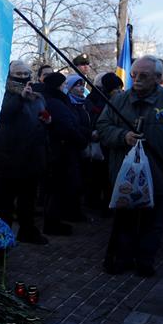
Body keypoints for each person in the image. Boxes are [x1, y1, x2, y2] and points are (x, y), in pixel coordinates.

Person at [97, 57, 163, 276]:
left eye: (143, 76)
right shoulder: (119, 100)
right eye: (134, 75)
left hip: (158, 173)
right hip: (124, 175)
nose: (137, 80)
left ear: (157, 77)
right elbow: (103, 127)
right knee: (124, 221)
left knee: (153, 222)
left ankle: (145, 260)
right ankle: (122, 258)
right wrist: (123, 136)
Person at [0, 60, 51, 244]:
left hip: (31, 156)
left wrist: (47, 121)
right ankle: (3, 235)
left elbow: (41, 115)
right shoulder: (0, 93)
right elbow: (2, 116)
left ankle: (27, 230)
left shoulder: (38, 96)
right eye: (19, 75)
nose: (24, 78)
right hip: (7, 157)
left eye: (26, 74)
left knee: (28, 200)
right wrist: (19, 97)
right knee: (4, 203)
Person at [42, 72, 90, 235]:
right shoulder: (56, 102)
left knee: (56, 189)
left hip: (59, 150)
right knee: (57, 189)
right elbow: (66, 127)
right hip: (60, 152)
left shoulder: (55, 100)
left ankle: (54, 220)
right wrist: (82, 140)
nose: (65, 88)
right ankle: (52, 223)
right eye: (63, 85)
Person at [84, 73, 124, 212]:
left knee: (107, 176)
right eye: (116, 88)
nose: (119, 91)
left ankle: (107, 202)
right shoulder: (94, 99)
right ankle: (94, 202)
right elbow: (94, 118)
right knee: (97, 176)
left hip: (110, 143)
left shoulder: (115, 99)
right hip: (99, 144)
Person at [62, 74, 91, 222]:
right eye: (77, 85)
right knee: (72, 182)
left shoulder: (83, 103)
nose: (81, 88)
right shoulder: (68, 104)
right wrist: (87, 134)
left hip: (82, 146)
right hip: (72, 148)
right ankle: (71, 212)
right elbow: (73, 126)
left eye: (82, 85)